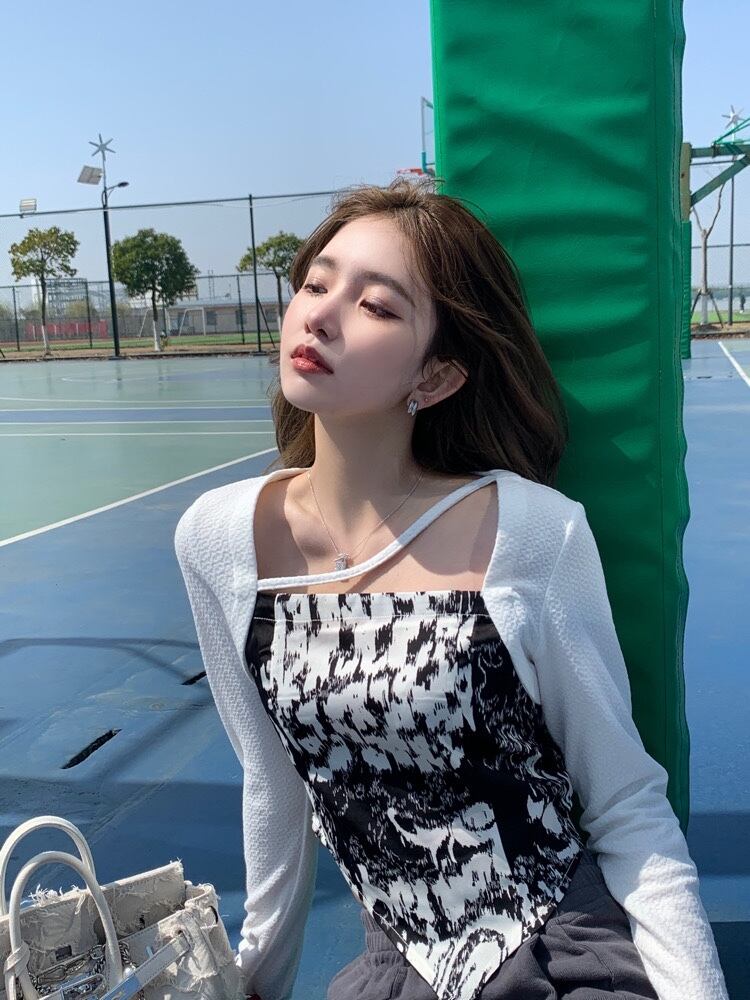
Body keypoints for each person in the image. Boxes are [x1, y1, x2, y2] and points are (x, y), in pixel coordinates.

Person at [174, 178, 729, 1000]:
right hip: (396, 969)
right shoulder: (218, 540)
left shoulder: (532, 533)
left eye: (376, 305)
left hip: (563, 956)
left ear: (434, 378)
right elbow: (275, 785)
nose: (319, 316)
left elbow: (625, 803)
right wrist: (252, 979)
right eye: (316, 284)